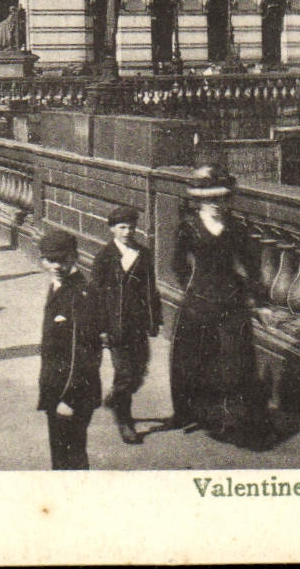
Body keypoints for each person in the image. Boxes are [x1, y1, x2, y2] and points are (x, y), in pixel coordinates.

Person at [166, 166, 268, 446]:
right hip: (198, 302)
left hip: (232, 300)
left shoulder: (236, 228)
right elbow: (178, 264)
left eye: (221, 199)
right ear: (199, 199)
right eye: (210, 199)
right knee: (197, 360)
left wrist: (259, 300)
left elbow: (250, 265)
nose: (217, 204)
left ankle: (230, 419)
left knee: (233, 361)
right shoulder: (188, 227)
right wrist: (192, 286)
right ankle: (199, 414)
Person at [90, 205, 162, 445]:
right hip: (114, 325)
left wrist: (153, 321)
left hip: (137, 324)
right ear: (112, 229)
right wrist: (99, 327)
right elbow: (96, 294)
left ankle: (115, 399)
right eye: (122, 227)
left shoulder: (144, 254)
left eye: (131, 227)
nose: (127, 232)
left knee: (139, 372)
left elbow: (151, 290)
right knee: (125, 373)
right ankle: (125, 421)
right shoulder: (104, 257)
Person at [37, 228, 103, 470]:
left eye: (62, 260)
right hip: (57, 386)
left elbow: (85, 353)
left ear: (74, 257)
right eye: (50, 260)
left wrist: (69, 398)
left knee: (71, 457)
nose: (56, 265)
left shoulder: (79, 295)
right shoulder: (58, 286)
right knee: (62, 456)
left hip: (72, 393)